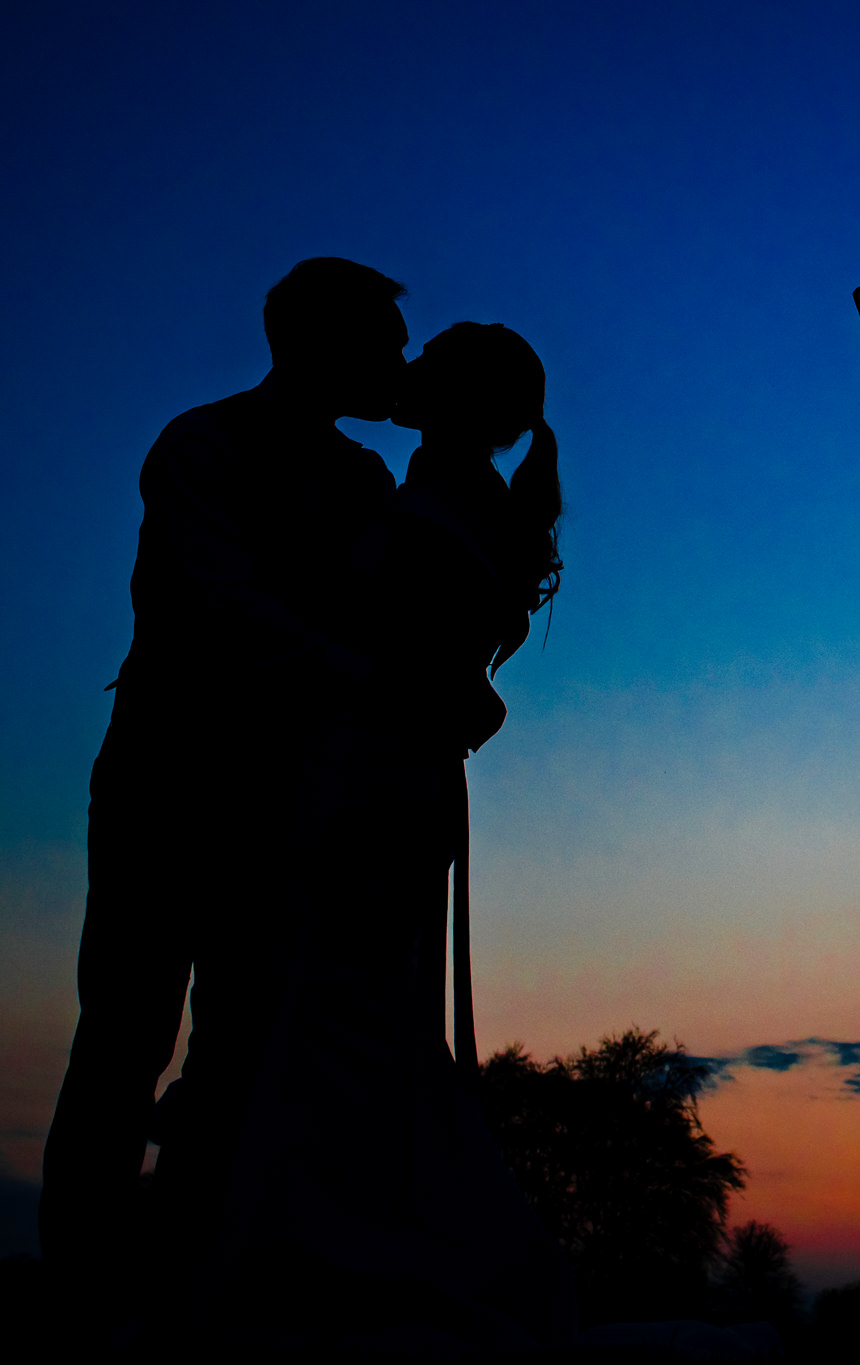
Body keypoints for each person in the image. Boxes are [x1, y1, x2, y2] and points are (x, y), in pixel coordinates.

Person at [162, 320, 577, 1351]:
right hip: (388, 779)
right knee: (348, 1010)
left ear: (453, 395)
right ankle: (328, 1245)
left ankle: (336, 1264)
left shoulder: (439, 508)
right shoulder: (453, 497)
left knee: (341, 1011)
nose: (405, 370)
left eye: (424, 361)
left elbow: (409, 660)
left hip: (370, 782)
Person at [41, 259, 407, 1295]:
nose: (397, 363)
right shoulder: (201, 444)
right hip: (169, 775)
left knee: (245, 1048)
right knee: (124, 1033)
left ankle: (190, 1280)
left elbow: (387, 608)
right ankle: (82, 1289)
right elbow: (214, 599)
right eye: (380, 342)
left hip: (290, 796)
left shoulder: (367, 481)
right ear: (315, 343)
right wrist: (354, 674)